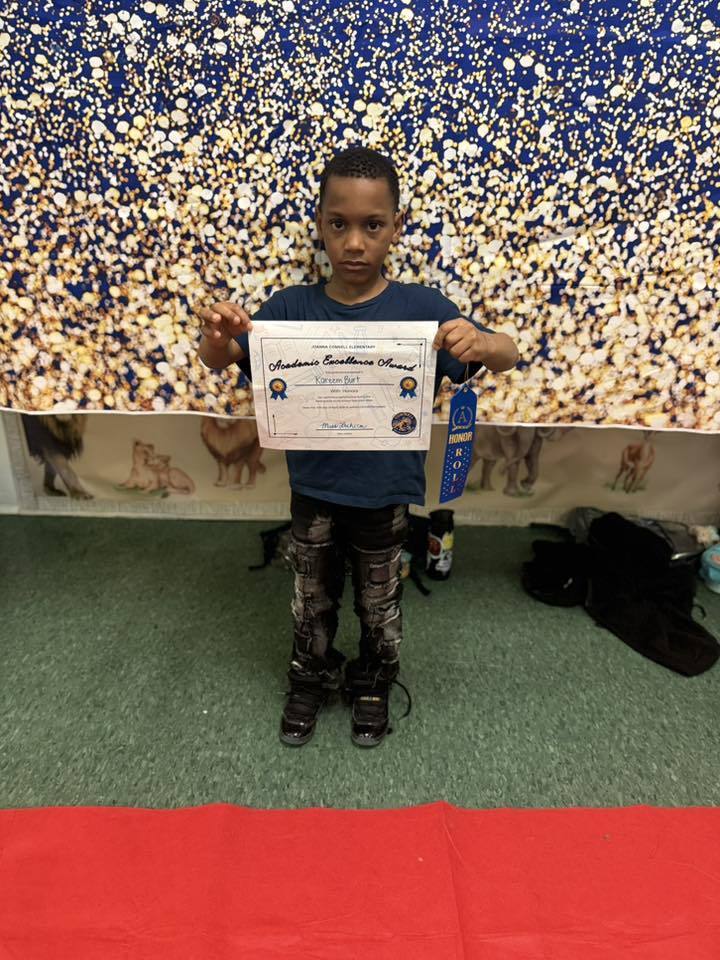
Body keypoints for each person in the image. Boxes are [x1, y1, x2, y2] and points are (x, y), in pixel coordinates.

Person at [196, 146, 519, 748]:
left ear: (396, 228)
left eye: (372, 226)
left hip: (385, 493)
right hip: (314, 490)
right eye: (338, 224)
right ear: (318, 224)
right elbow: (224, 358)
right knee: (310, 596)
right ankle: (310, 677)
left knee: (380, 599)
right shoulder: (290, 309)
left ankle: (372, 681)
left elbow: (507, 354)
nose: (353, 243)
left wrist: (480, 340)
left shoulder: (422, 309)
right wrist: (218, 337)